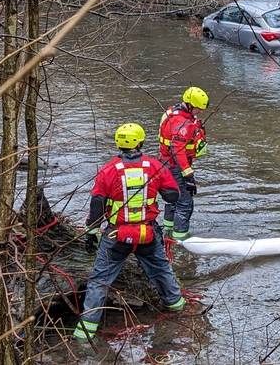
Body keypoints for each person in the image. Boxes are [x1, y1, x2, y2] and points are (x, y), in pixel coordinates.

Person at [74, 123, 186, 341]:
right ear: (141, 142)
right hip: (148, 234)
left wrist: (91, 232)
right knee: (161, 270)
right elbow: (173, 196)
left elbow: (97, 204)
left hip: (116, 237)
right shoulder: (154, 166)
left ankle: (84, 332)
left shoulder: (108, 170)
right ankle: (177, 307)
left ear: (118, 143)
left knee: (99, 280)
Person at [158, 86, 209, 241]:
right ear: (190, 105)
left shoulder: (172, 112)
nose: (199, 112)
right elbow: (177, 150)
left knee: (172, 199)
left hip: (166, 163)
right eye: (198, 109)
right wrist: (188, 175)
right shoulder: (183, 123)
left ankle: (167, 232)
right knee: (185, 203)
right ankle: (180, 240)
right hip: (176, 166)